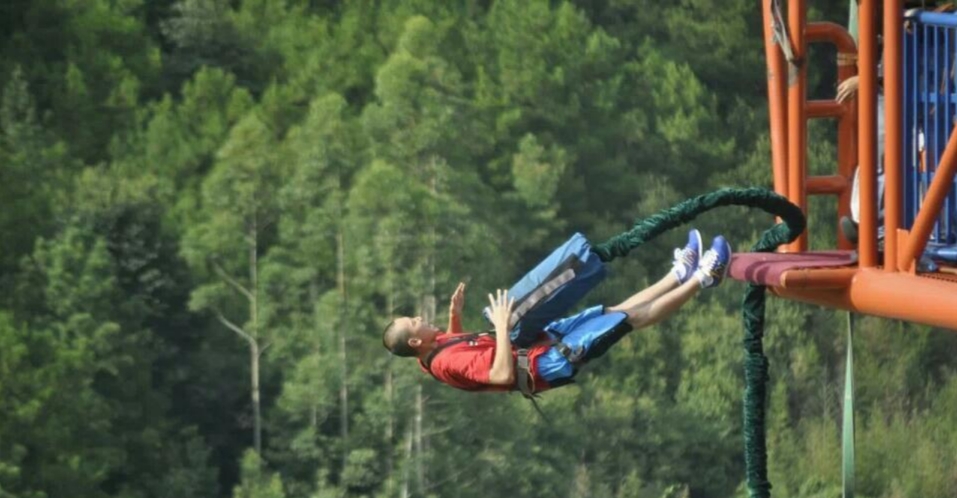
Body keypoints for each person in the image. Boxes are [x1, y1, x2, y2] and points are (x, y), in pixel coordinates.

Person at [381, 230, 733, 394]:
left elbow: (460, 345)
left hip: (534, 344)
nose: (421, 318)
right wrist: (502, 327)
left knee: (614, 309)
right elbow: (500, 374)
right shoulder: (444, 363)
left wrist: (454, 316)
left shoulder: (432, 350)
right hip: (541, 363)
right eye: (415, 321)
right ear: (414, 340)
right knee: (628, 320)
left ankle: (678, 274)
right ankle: (704, 278)